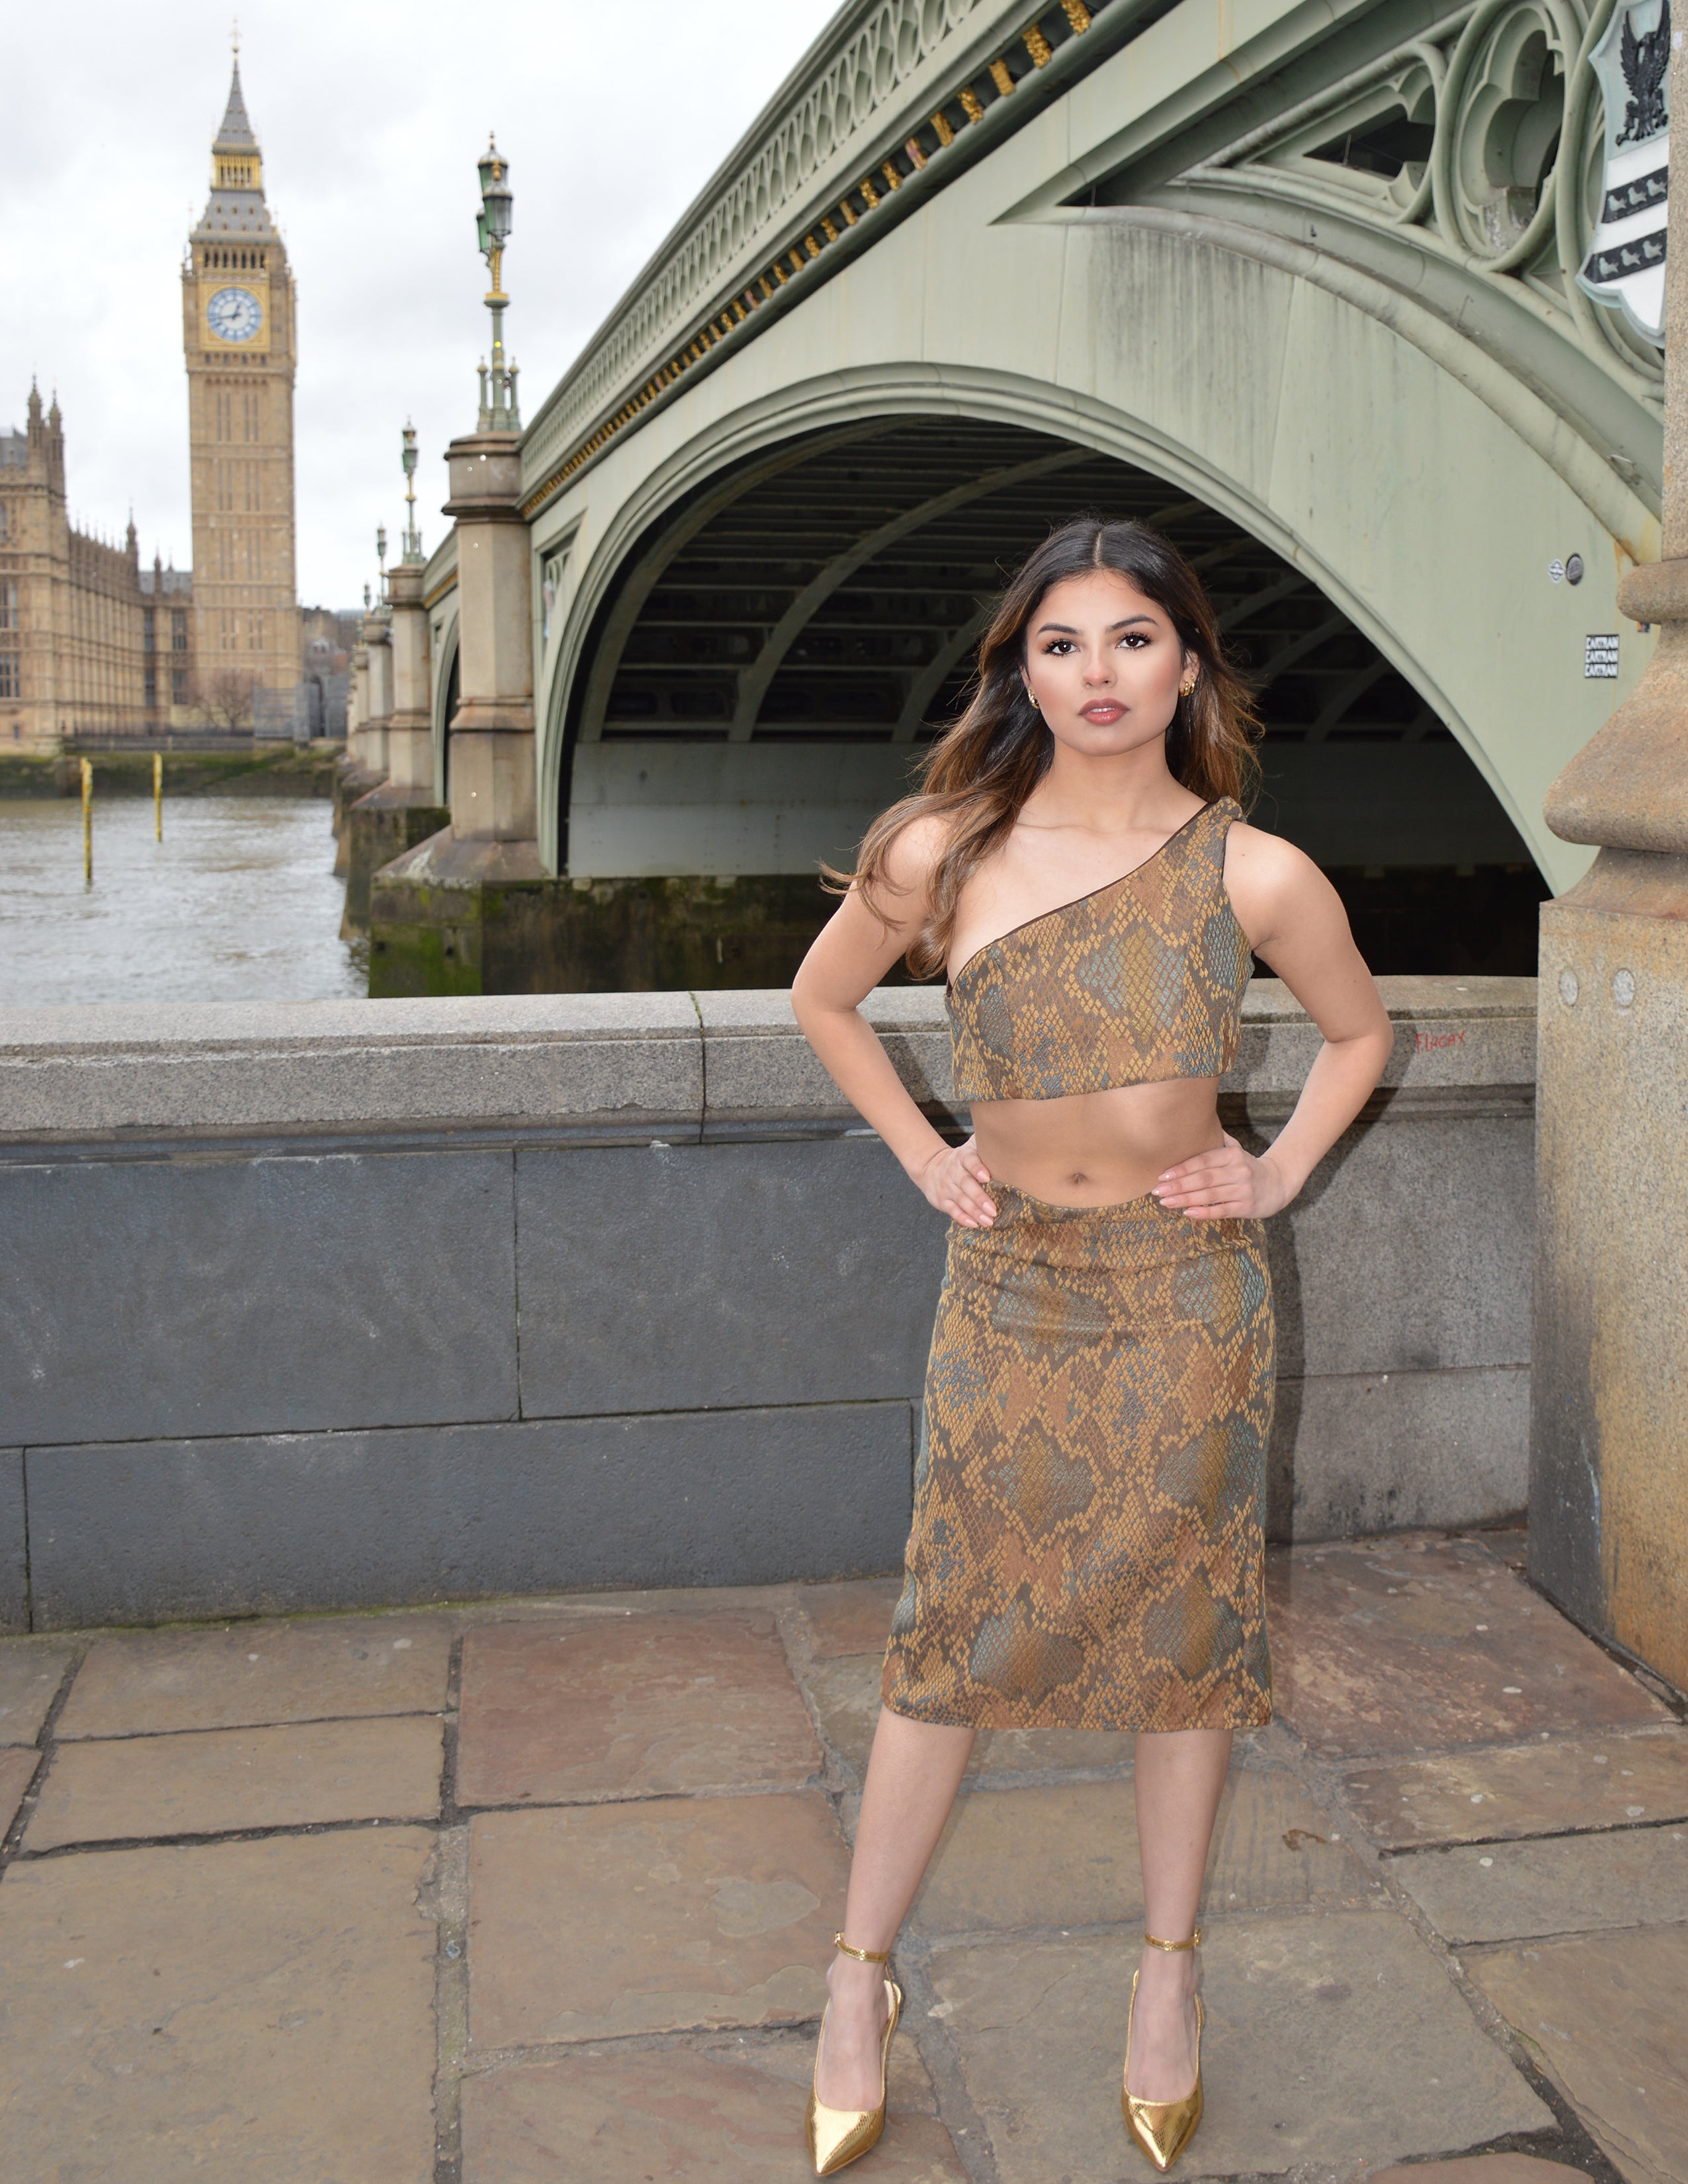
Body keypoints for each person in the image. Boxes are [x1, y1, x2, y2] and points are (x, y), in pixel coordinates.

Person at [789, 516, 1393, 2174]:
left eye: (1132, 638)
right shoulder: (940, 850)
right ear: (1022, 668)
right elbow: (820, 999)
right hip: (1012, 1291)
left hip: (1188, 1299)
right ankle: (857, 1982)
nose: (1096, 673)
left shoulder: (1250, 870)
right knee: (949, 1632)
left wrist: (1273, 1170)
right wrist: (924, 1154)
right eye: (1061, 644)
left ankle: (1166, 1973)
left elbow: (1360, 1033)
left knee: (1185, 1628)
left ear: (1185, 662)